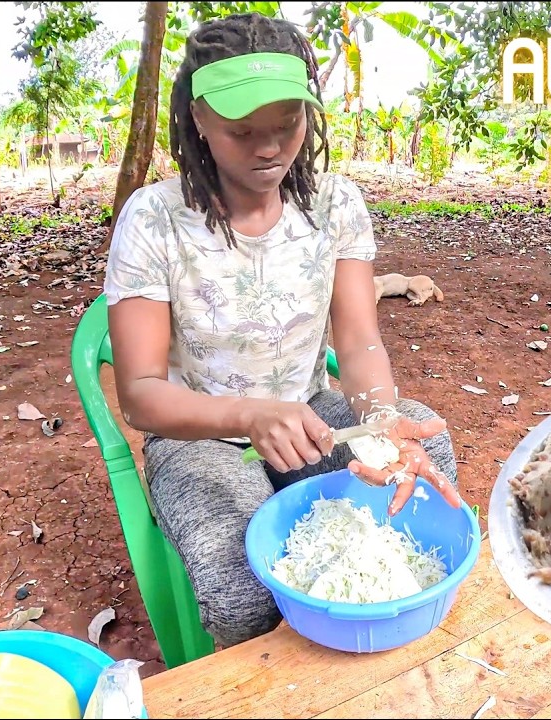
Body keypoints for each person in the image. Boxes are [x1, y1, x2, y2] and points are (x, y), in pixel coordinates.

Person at [101, 12, 462, 649]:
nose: (268, 149)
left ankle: (375, 651)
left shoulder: (334, 205)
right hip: (197, 434)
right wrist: (249, 416)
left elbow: (359, 343)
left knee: (420, 460)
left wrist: (380, 422)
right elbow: (140, 395)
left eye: (288, 125)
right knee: (241, 590)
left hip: (313, 412)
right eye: (242, 132)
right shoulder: (154, 220)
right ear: (198, 119)